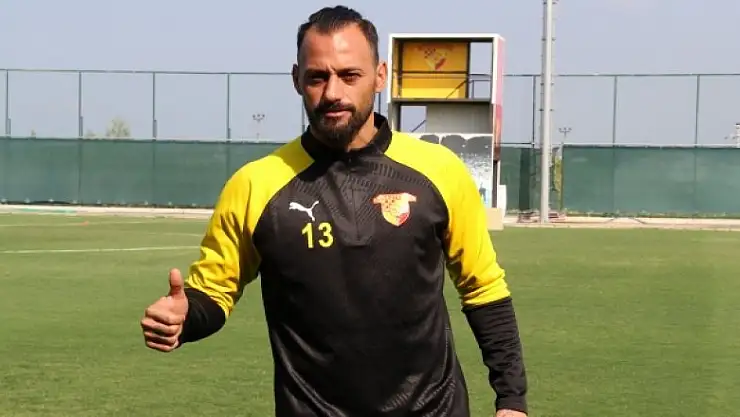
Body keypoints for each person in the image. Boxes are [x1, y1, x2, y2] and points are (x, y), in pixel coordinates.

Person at [140, 5, 528, 417]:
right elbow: (214, 292)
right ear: (296, 80)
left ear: (380, 76)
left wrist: (512, 401)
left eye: (349, 75)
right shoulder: (256, 185)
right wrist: (185, 317)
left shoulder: (439, 171)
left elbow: (484, 289)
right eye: (317, 77)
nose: (333, 93)